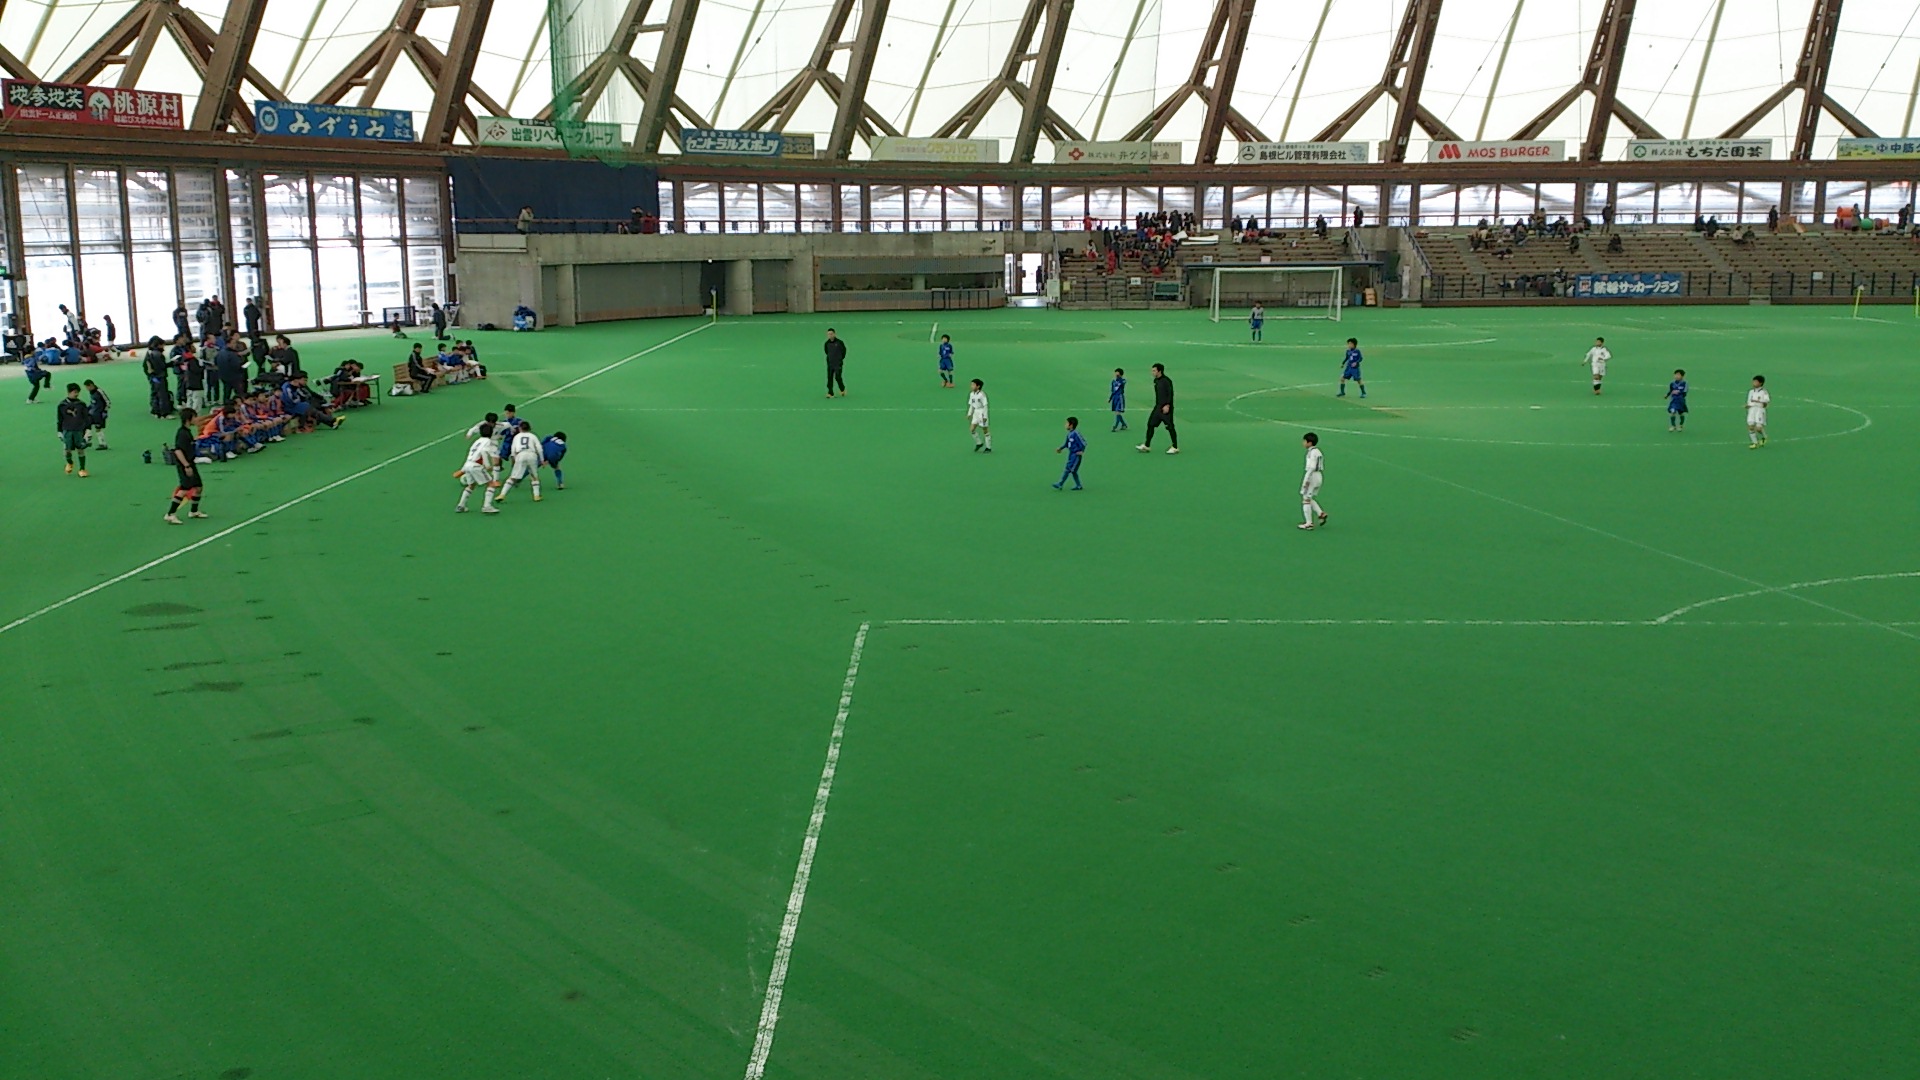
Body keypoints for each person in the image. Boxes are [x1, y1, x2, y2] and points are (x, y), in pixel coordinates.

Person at [163, 409, 208, 524]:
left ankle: (194, 511)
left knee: (198, 487)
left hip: (190, 462)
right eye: (195, 417)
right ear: (189, 419)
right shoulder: (182, 433)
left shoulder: (187, 431)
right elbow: (178, 450)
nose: (197, 419)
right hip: (185, 464)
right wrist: (186, 466)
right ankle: (170, 514)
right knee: (184, 489)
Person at [457, 421, 502, 513]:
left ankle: (461, 505)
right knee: (491, 484)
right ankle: (487, 506)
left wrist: (463, 469)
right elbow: (484, 452)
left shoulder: (477, 441)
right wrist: (488, 465)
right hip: (476, 466)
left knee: (471, 485)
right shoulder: (488, 442)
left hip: (468, 464)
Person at [496, 423, 544, 503]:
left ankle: (502, 494)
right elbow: (539, 448)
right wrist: (542, 459)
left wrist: (514, 458)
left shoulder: (516, 436)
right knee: (534, 476)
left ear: (520, 428)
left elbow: (513, 449)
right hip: (532, 455)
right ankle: (536, 495)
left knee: (513, 477)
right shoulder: (533, 436)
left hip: (520, 455)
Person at [1137, 363, 1178, 454]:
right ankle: (1147, 445)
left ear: (1159, 371)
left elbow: (1170, 394)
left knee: (1170, 427)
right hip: (1158, 407)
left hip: (1166, 407)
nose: (1152, 372)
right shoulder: (1156, 381)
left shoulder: (1166, 381)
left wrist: (1167, 405)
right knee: (1150, 424)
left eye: (1154, 370)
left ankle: (1175, 447)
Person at [57, 383, 91, 477]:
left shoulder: (81, 404)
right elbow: (59, 419)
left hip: (79, 430)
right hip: (67, 430)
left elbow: (86, 418)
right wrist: (59, 431)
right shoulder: (62, 405)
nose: (76, 394)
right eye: (75, 392)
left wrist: (88, 430)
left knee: (80, 449)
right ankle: (70, 462)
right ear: (69, 392)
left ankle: (82, 469)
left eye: (77, 392)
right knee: (67, 450)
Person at [1298, 432, 1327, 530]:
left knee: (1305, 499)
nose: (1303, 443)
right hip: (1319, 476)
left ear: (1309, 443)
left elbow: (1311, 468)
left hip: (1312, 476)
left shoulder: (1311, 452)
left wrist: (1305, 481)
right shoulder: (1318, 451)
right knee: (1309, 498)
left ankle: (1309, 523)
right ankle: (1320, 513)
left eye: (1305, 441)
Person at [1053, 416, 1086, 490]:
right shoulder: (1069, 434)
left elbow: (1083, 443)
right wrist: (1060, 448)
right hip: (1071, 454)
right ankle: (1079, 485)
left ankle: (1060, 484)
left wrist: (1081, 451)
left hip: (1076, 455)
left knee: (1068, 469)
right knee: (1073, 471)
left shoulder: (1076, 434)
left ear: (1071, 425)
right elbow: (1066, 444)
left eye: (1066, 423)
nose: (1065, 425)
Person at [82, 379, 110, 450]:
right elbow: (93, 402)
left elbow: (107, 401)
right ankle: (86, 441)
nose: (87, 389)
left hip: (99, 414)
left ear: (91, 385)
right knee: (86, 426)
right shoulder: (91, 392)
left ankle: (102, 444)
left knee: (98, 429)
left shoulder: (99, 391)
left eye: (87, 387)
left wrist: (105, 411)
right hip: (92, 413)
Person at [967, 379, 992, 453]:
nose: (971, 386)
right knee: (972, 429)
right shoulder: (971, 394)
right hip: (976, 413)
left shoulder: (982, 395)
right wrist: (969, 413)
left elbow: (985, 406)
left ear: (978, 386)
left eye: (973, 385)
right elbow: (971, 405)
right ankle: (979, 443)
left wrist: (985, 416)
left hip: (982, 413)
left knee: (985, 430)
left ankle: (988, 447)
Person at [1746, 375, 1770, 449]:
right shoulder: (1751, 391)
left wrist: (1759, 401)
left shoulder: (1764, 392)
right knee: (1751, 427)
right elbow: (1749, 401)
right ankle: (1755, 443)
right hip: (1752, 410)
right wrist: (1748, 405)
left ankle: (1764, 437)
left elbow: (1766, 402)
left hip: (1759, 410)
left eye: (1756, 382)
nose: (1754, 383)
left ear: (1761, 383)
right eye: (1753, 381)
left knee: (1758, 428)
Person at [824, 328, 847, 398]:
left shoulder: (840, 342)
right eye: (828, 334)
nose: (830, 335)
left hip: (838, 363)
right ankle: (830, 393)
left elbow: (844, 352)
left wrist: (839, 359)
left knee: (838, 377)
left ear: (834, 334)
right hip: (830, 363)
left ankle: (842, 389)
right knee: (830, 378)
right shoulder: (826, 343)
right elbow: (826, 352)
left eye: (831, 334)